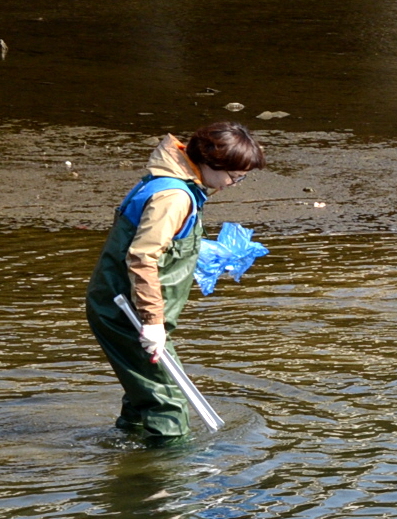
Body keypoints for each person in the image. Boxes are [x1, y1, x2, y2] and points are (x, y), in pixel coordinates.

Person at [83, 122, 265, 443]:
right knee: (169, 402)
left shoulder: (177, 181)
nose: (235, 184)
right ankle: (165, 480)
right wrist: (152, 323)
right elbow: (142, 257)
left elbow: (160, 244)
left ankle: (125, 452)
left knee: (145, 393)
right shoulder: (174, 197)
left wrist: (202, 253)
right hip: (127, 312)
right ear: (211, 163)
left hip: (126, 306)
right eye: (234, 177)